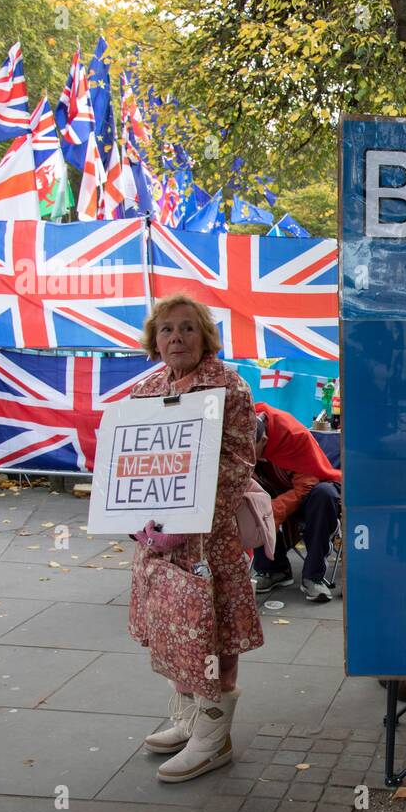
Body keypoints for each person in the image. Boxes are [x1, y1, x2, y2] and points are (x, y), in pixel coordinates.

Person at [128, 294, 260, 783]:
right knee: (172, 627)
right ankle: (187, 717)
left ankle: (213, 737)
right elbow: (131, 464)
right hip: (159, 543)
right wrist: (132, 515)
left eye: (187, 328)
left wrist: (188, 520)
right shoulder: (148, 388)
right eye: (166, 330)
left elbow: (237, 464)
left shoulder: (229, 387)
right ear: (153, 340)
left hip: (208, 542)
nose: (176, 338)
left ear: (204, 335)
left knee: (212, 631)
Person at [251, 401, 343, 602]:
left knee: (324, 494)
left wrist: (275, 509)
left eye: (252, 450)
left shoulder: (292, 435)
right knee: (252, 498)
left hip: (312, 488)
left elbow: (307, 483)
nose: (248, 457)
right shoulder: (238, 426)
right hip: (274, 489)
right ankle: (273, 570)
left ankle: (313, 577)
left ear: (264, 439)